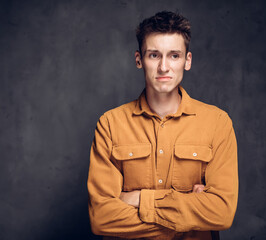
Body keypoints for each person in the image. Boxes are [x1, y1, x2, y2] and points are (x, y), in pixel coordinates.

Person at [87, 11, 238, 240]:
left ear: (187, 61)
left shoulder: (218, 123)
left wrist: (138, 199)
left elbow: (222, 213)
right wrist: (190, 215)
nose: (164, 67)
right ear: (139, 60)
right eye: (154, 55)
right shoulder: (110, 125)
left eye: (174, 55)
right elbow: (101, 217)